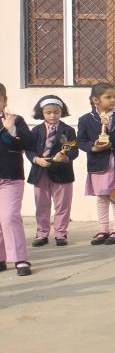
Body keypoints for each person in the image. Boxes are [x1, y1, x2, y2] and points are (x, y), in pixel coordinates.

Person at [76, 83, 115, 245]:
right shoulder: (86, 119)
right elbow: (80, 141)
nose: (113, 100)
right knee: (102, 197)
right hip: (99, 164)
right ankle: (103, 230)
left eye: (114, 96)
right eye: (108, 97)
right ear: (96, 100)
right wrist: (93, 147)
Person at [26, 95, 79, 247]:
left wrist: (65, 157)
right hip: (40, 171)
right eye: (48, 112)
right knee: (41, 205)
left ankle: (61, 233)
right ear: (42, 113)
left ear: (61, 112)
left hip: (62, 172)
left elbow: (74, 150)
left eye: (56, 112)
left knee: (62, 205)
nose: (52, 116)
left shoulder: (68, 130)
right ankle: (42, 234)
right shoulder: (36, 130)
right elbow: (29, 149)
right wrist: (36, 159)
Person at [0, 83, 34, 276]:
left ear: (4, 100)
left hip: (10, 177)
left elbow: (29, 143)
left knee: (9, 216)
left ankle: (20, 259)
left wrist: (10, 130)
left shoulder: (16, 120)